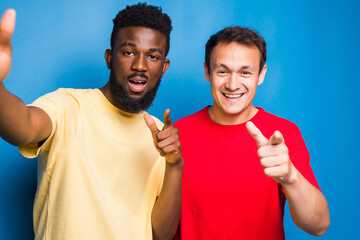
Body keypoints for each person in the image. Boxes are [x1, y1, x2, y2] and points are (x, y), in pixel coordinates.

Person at [0, 3, 183, 240]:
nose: (140, 65)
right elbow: (23, 127)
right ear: (109, 58)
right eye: (128, 52)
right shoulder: (68, 106)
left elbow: (161, 235)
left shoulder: (160, 136)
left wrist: (175, 165)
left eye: (153, 56)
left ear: (164, 67)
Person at [174, 26, 330, 239]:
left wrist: (290, 176)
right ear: (207, 72)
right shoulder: (179, 133)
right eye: (222, 71)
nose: (232, 84)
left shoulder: (283, 134)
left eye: (245, 72)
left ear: (261, 74)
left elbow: (319, 225)